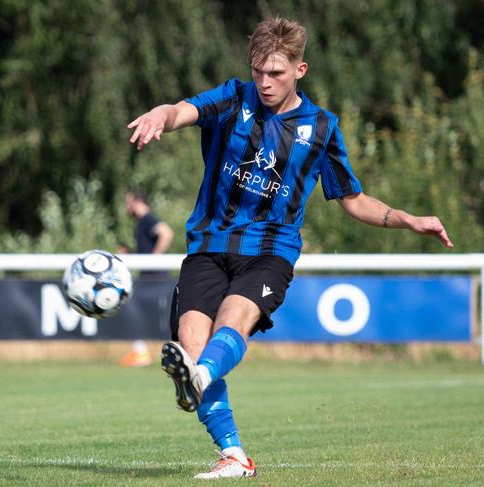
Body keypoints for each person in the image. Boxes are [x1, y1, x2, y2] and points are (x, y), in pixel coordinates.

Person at [127, 17, 452, 479]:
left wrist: (408, 220)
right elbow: (183, 111)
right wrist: (160, 116)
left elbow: (353, 199)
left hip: (270, 252)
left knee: (230, 323)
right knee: (192, 342)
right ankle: (233, 454)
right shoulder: (233, 98)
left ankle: (199, 378)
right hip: (208, 245)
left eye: (276, 73)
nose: (264, 82)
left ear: (300, 70)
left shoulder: (321, 128)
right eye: (258, 71)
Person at [119, 190, 174, 367]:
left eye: (128, 202)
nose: (126, 207)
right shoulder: (142, 222)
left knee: (133, 307)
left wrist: (154, 259)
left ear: (137, 202)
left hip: (155, 278)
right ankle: (141, 351)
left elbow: (166, 233)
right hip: (150, 277)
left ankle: (141, 352)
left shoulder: (147, 219)